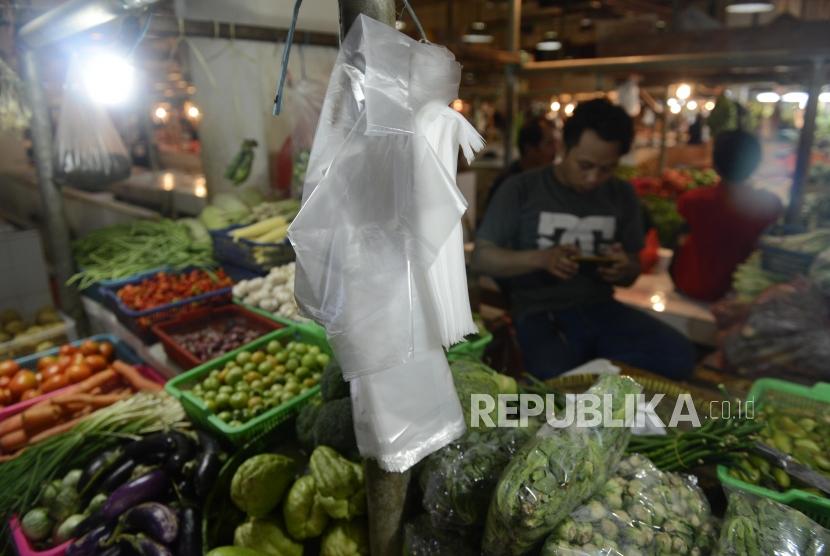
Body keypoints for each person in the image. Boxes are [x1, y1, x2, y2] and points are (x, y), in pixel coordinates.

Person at [473, 98, 695, 380]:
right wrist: (540, 258)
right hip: (541, 313)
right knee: (560, 382)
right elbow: (482, 258)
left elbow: (632, 271)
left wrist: (624, 267)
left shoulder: (621, 195)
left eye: (606, 169)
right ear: (563, 148)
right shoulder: (521, 188)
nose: (593, 178)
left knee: (678, 356)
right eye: (585, 165)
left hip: (600, 307)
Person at [671, 130, 782, 302]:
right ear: (755, 164)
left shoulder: (692, 200)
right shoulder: (770, 205)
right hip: (740, 294)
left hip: (693, 286)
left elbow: (680, 241)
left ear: (715, 163)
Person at [483, 118, 556, 212]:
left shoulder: (550, 179)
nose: (555, 150)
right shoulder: (508, 185)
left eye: (555, 143)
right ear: (529, 149)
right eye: (549, 144)